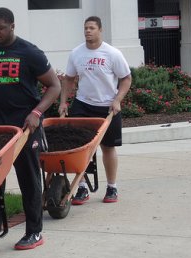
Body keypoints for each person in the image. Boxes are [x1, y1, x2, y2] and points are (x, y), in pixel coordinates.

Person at [0, 7, 60, 250]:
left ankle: (34, 232)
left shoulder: (29, 52)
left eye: (0, 28)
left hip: (25, 122)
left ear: (12, 26)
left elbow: (54, 86)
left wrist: (37, 112)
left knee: (28, 177)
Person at [59, 16, 132, 205]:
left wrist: (117, 100)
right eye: (85, 28)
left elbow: (126, 79)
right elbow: (68, 79)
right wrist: (63, 103)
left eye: (91, 28)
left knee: (108, 147)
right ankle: (82, 187)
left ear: (100, 30)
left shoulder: (112, 53)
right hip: (83, 105)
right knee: (78, 148)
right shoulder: (76, 53)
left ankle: (112, 187)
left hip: (108, 107)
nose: (88, 31)